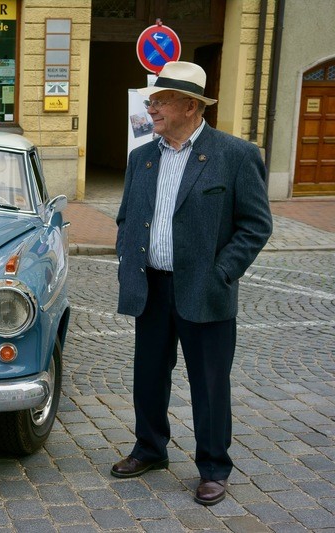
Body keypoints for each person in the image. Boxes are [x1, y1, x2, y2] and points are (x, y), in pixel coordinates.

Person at [112, 61, 273, 506]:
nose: (152, 108)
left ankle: (214, 467)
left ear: (190, 106)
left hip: (207, 289)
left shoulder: (236, 155)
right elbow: (127, 216)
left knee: (209, 383)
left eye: (160, 101)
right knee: (147, 377)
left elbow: (256, 226)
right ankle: (150, 448)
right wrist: (128, 257)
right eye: (152, 101)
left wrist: (221, 272)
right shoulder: (142, 156)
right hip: (152, 287)